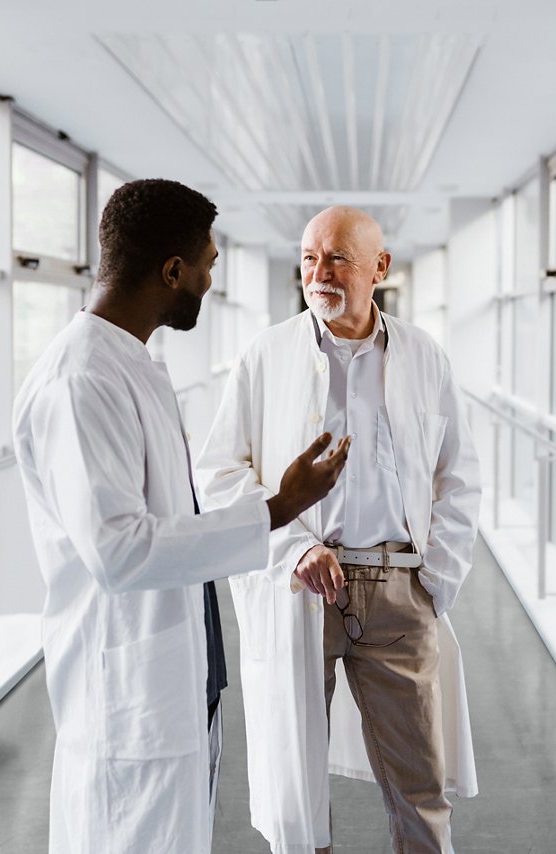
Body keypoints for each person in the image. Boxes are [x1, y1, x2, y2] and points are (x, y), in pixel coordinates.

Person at [12, 179, 350, 854]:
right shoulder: (82, 381)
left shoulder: (131, 363)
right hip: (128, 697)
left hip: (179, 674)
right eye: (207, 265)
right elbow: (120, 552)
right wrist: (279, 508)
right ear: (173, 270)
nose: (209, 281)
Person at [196, 205, 482, 853]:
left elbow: (458, 475)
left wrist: (435, 579)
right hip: (300, 590)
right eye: (309, 258)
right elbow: (220, 470)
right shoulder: (266, 353)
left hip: (400, 590)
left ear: (379, 267)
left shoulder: (422, 355)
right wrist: (293, 546)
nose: (318, 273)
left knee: (419, 779)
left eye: (337, 259)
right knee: (296, 785)